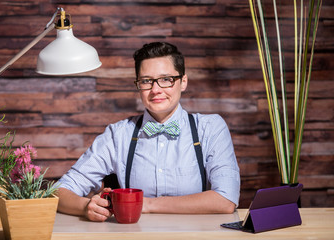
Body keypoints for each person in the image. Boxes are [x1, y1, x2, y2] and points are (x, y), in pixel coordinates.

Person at [56, 42, 240, 222]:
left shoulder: (210, 128)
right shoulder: (118, 134)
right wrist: (86, 206)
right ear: (138, 85)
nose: (155, 90)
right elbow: (59, 191)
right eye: (146, 81)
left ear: (183, 82)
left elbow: (226, 199)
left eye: (166, 79)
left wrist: (147, 204)